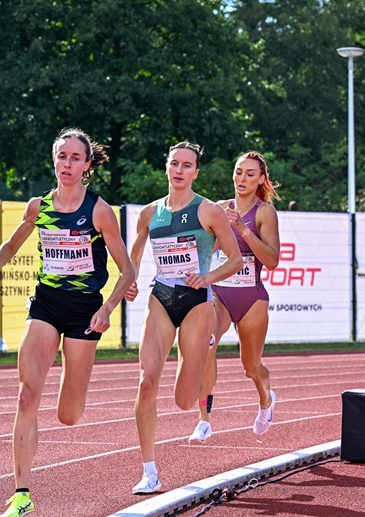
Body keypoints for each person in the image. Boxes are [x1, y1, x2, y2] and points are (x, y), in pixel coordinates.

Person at [0, 127, 135, 517]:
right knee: (27, 396)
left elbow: (127, 270)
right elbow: (12, 244)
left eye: (75, 158)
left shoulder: (99, 211)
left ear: (87, 165)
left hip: (84, 311)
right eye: (62, 156)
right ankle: (22, 494)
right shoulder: (38, 206)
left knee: (68, 414)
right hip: (45, 305)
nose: (67, 164)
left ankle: (72, 370)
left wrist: (108, 308)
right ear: (53, 159)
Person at [124, 141, 242, 495]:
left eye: (186, 165)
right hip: (161, 296)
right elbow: (134, 254)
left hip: (196, 300)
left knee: (183, 399)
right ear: (166, 167)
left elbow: (235, 259)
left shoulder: (208, 211)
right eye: (174, 163)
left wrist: (207, 278)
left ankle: (195, 353)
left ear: (196, 172)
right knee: (147, 383)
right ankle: (149, 471)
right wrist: (129, 282)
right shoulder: (149, 214)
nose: (179, 170)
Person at [187, 151, 281, 445]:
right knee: (206, 344)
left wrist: (243, 230)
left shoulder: (264, 213)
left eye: (250, 174)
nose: (242, 179)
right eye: (239, 172)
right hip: (220, 293)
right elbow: (209, 249)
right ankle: (204, 420)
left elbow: (273, 260)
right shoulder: (219, 209)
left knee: (250, 367)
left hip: (251, 297)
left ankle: (266, 396)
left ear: (261, 179)